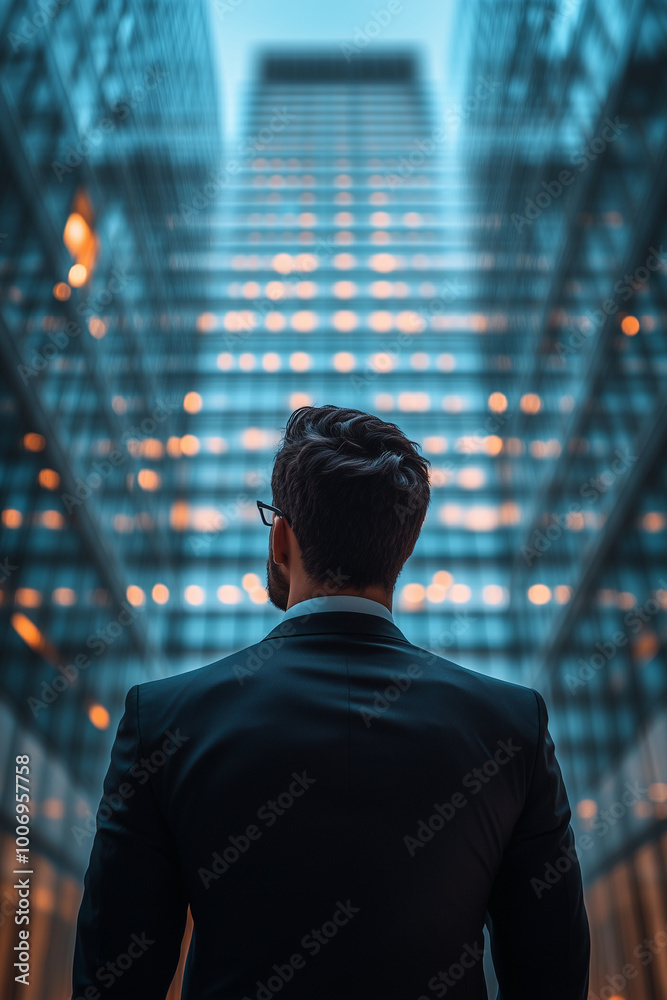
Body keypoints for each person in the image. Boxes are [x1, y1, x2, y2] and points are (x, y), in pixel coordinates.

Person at [71, 404, 590, 999]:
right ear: (405, 544)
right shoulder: (511, 727)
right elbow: (554, 977)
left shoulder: (162, 720)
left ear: (281, 538)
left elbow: (110, 984)